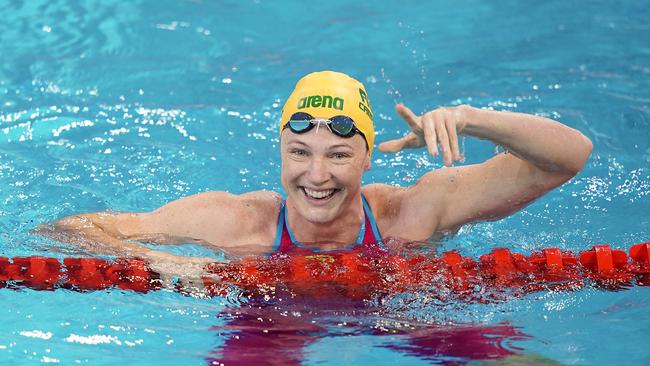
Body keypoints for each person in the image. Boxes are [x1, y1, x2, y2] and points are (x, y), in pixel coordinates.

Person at [38, 71, 593, 285]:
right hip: (267, 326)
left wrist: (473, 118)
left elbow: (568, 158)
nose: (317, 175)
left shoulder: (415, 210)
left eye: (339, 155)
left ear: (370, 157)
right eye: (300, 152)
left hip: (407, 325)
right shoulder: (234, 222)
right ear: (280, 151)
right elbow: (70, 228)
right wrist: (171, 263)